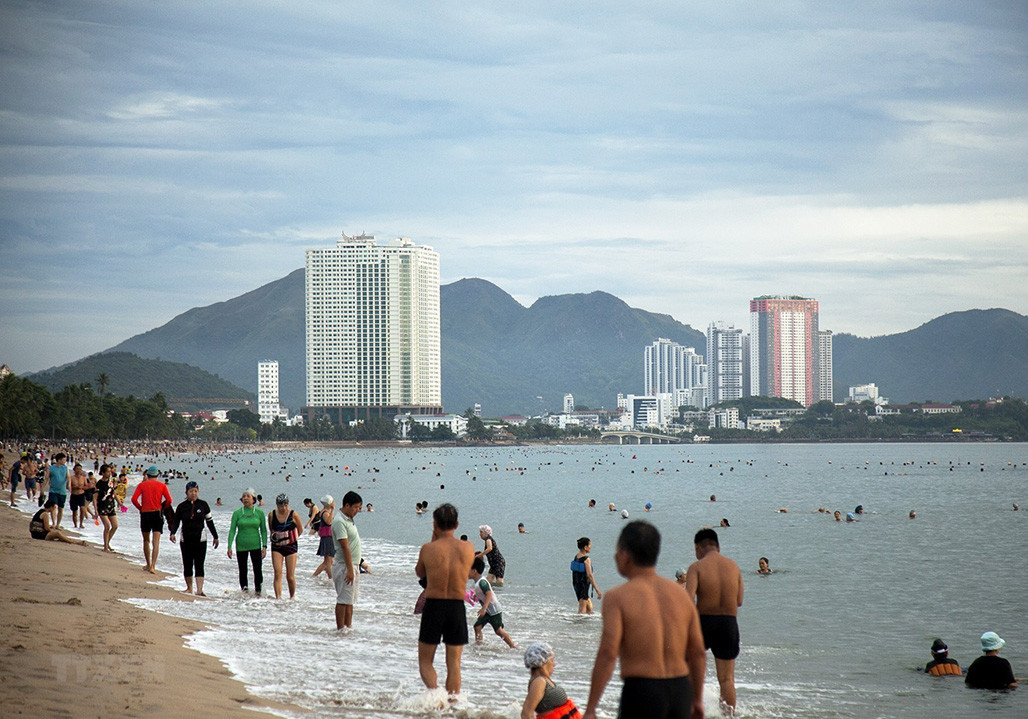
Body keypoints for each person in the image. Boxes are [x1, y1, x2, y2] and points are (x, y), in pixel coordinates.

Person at [584, 520, 705, 719]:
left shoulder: (617, 597)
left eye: (617, 551)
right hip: (681, 689)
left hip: (643, 690)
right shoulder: (680, 594)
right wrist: (697, 699)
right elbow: (697, 652)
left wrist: (591, 708)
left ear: (625, 555)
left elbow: (608, 653)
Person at [415, 503, 476, 697]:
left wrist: (434, 538)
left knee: (425, 662)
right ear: (457, 524)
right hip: (456, 607)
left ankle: (436, 696)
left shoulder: (428, 549)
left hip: (434, 605)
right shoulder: (467, 548)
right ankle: (452, 704)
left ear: (434, 524)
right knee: (454, 664)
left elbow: (420, 573)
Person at [686, 527, 743, 715]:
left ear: (698, 548)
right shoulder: (733, 566)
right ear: (718, 546)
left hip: (703, 622)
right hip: (728, 623)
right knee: (726, 679)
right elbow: (739, 601)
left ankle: (694, 712)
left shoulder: (696, 567)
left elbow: (689, 599)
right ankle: (728, 715)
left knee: (691, 673)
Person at [168, 481, 218, 596]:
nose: (193, 493)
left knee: (199, 564)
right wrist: (172, 533)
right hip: (185, 539)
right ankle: (189, 588)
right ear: (186, 493)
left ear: (198, 492)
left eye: (195, 491)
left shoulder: (203, 505)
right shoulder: (181, 506)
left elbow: (210, 522)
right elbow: (176, 522)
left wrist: (215, 536)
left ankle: (199, 590)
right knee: (187, 563)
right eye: (191, 491)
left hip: (200, 539)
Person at [521, 641, 581, 719]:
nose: (554, 664)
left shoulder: (543, 679)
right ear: (543, 662)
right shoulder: (539, 681)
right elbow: (526, 713)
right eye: (552, 660)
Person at [131, 465, 173, 574]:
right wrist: (162, 507)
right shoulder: (162, 485)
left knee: (146, 540)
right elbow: (169, 500)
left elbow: (134, 499)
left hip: (145, 514)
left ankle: (148, 563)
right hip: (157, 513)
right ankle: (153, 566)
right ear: (157, 475)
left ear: (147, 475)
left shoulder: (142, 485)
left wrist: (140, 508)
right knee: (156, 542)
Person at [469, 556, 516, 648]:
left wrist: (484, 608)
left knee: (498, 631)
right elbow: (483, 593)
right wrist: (476, 595)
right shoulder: (478, 582)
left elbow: (489, 594)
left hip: (494, 610)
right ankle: (479, 645)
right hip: (487, 610)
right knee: (477, 626)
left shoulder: (482, 582)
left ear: (474, 571)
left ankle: (513, 646)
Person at [227, 487, 267, 595]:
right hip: (241, 545)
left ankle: (258, 592)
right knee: (243, 570)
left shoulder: (259, 513)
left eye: (248, 496)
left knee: (257, 570)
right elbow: (232, 530)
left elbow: (264, 531)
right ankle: (244, 592)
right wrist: (229, 546)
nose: (245, 498)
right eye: (244, 496)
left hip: (256, 544)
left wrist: (264, 546)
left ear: (253, 499)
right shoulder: (237, 513)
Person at [332, 491, 363, 629]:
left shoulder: (348, 519)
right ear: (347, 505)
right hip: (344, 565)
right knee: (343, 600)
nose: (358, 510)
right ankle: (340, 630)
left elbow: (352, 544)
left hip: (353, 564)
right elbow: (344, 547)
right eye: (356, 507)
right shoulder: (339, 521)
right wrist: (350, 570)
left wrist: (360, 563)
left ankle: (348, 629)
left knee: (350, 600)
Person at [268, 493, 303, 599]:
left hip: (291, 547)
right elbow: (271, 528)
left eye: (285, 505)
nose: (283, 508)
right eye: (280, 505)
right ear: (277, 505)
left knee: (290, 576)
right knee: (277, 573)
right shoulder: (272, 515)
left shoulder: (293, 515)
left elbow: (300, 530)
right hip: (277, 547)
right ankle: (278, 598)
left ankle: (292, 597)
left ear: (288, 504)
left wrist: (290, 538)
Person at [571, 537, 603, 614]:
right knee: (582, 609)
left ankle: (588, 623)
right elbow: (589, 575)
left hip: (576, 584)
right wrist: (597, 590)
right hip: (583, 585)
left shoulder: (577, 556)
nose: (590, 547)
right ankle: (579, 625)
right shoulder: (586, 559)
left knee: (589, 608)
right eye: (589, 546)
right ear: (585, 547)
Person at [94, 463, 119, 552]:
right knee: (107, 526)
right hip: (102, 507)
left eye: (110, 471)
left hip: (111, 506)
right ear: (103, 472)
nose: (109, 473)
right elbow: (95, 497)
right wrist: (96, 510)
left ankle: (107, 543)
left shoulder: (111, 482)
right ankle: (105, 547)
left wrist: (119, 502)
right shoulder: (99, 483)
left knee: (115, 526)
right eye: (108, 472)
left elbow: (113, 493)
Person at [312, 494, 336, 579]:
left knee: (327, 561)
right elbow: (329, 522)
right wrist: (333, 510)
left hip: (326, 538)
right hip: (328, 538)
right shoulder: (325, 512)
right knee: (328, 561)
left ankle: (314, 576)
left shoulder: (324, 511)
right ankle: (331, 578)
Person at [46, 453, 70, 528]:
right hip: (53, 491)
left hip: (62, 491)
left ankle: (58, 524)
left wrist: (68, 485)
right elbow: (46, 478)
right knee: (54, 506)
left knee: (61, 508)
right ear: (59, 460)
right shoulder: (51, 468)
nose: (65, 461)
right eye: (64, 459)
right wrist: (42, 490)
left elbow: (68, 477)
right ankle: (53, 523)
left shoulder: (65, 468)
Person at [68, 463, 88, 529]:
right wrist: (74, 487)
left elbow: (87, 486)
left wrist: (82, 487)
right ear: (74, 470)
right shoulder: (71, 478)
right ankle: (75, 525)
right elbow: (67, 486)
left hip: (81, 495)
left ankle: (81, 523)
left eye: (80, 469)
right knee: (75, 511)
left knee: (82, 509)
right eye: (77, 469)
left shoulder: (83, 478)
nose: (79, 470)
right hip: (74, 495)